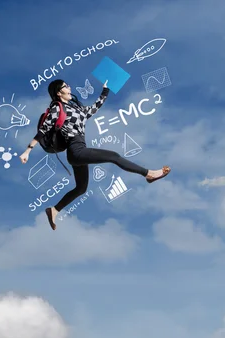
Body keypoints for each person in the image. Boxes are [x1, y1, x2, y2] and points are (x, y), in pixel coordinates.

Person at [20, 78, 171, 230]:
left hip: (78, 152)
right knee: (113, 156)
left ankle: (54, 210)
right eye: (66, 86)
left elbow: (94, 108)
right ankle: (149, 174)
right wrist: (28, 150)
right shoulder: (57, 108)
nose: (69, 87)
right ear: (59, 93)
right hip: (76, 150)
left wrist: (105, 91)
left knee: (81, 189)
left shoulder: (76, 109)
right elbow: (43, 130)